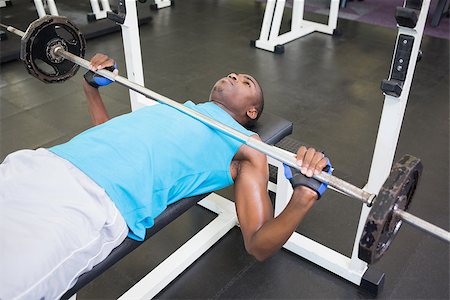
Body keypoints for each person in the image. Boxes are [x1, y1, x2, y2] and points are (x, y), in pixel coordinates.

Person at [0, 54, 331, 299]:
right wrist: (92, 88)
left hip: (94, 203)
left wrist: (301, 198)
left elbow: (257, 243)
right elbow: (111, 135)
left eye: (246, 82)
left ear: (252, 112)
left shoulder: (248, 145)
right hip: (42, 163)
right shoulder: (176, 107)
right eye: (233, 73)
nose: (233, 75)